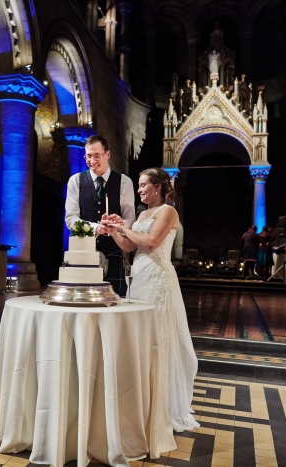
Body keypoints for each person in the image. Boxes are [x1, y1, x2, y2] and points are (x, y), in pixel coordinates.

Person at [102, 167, 199, 433]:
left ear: (158, 186)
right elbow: (129, 247)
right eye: (138, 186)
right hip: (140, 278)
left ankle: (163, 403)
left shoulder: (168, 211)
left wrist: (124, 227)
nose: (140, 189)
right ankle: (142, 398)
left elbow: (152, 242)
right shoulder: (143, 213)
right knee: (140, 338)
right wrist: (113, 229)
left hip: (159, 278)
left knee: (160, 337)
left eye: (144, 185)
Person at [65, 135, 136, 295]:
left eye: (97, 155)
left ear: (108, 155)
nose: (92, 160)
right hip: (82, 252)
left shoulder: (125, 182)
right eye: (88, 156)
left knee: (114, 303)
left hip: (114, 252)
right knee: (81, 301)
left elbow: (130, 218)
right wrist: (97, 228)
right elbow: (71, 219)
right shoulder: (75, 181)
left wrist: (120, 224)